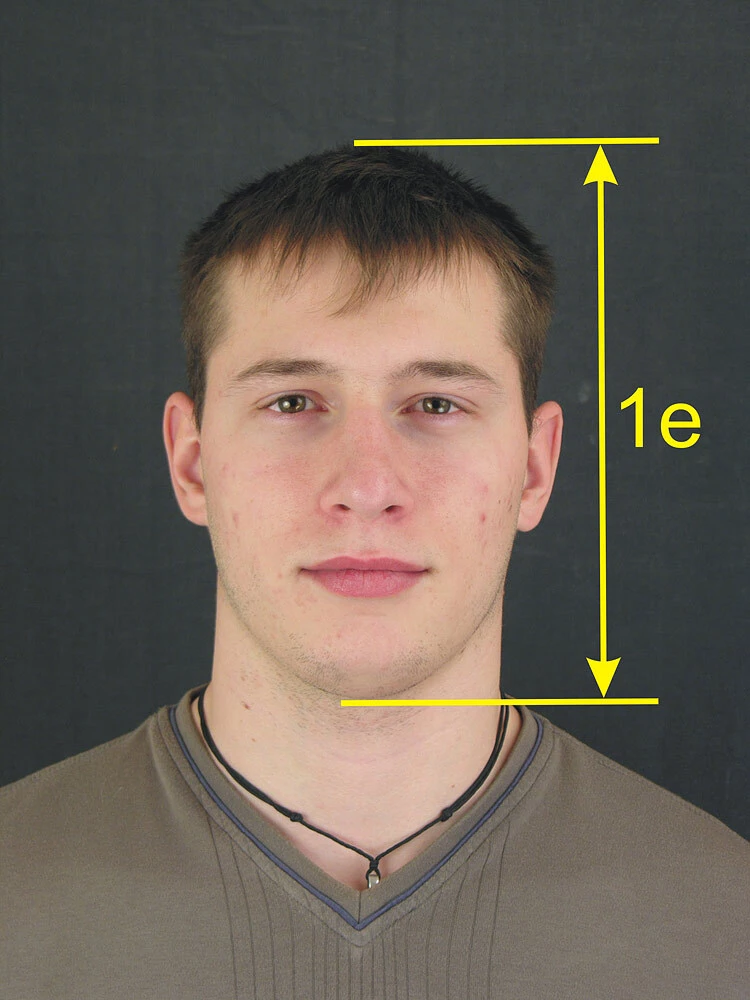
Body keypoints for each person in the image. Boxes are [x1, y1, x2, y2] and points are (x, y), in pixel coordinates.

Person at [1, 146, 747, 999]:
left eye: (436, 404)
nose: (365, 485)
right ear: (192, 463)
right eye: (292, 401)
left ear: (535, 469)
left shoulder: (723, 926)